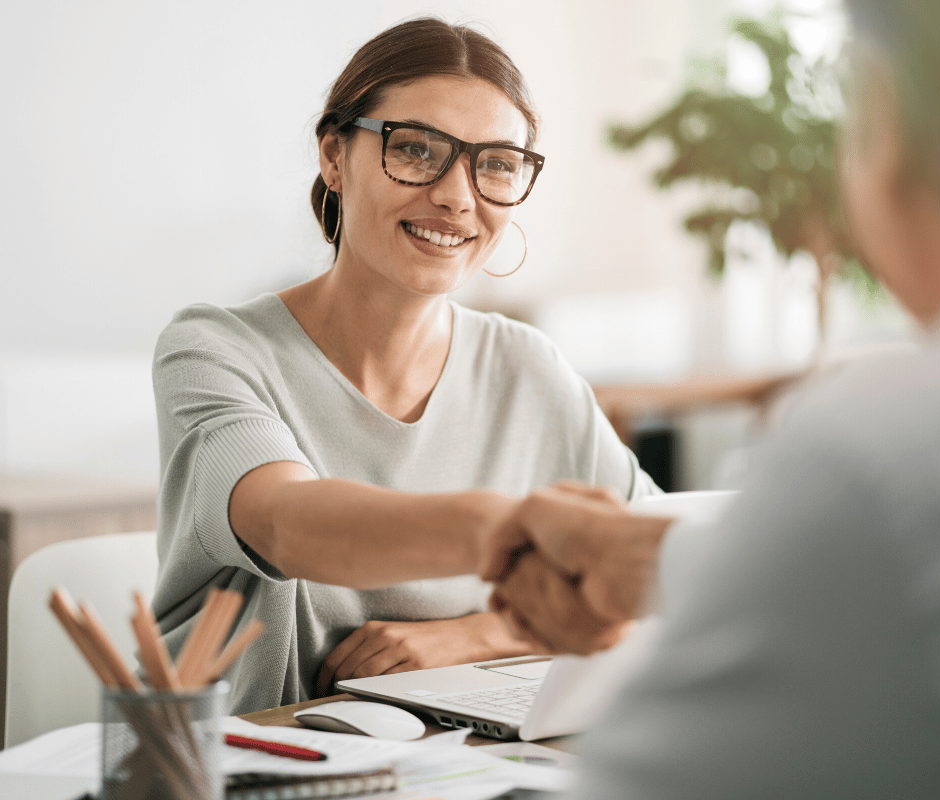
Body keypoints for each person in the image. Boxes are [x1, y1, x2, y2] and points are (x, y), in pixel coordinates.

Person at [482, 1, 940, 797]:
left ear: (882, 119)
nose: (457, 196)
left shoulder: (882, 456)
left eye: (495, 163)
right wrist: (656, 561)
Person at [151, 17, 658, 714]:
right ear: (334, 156)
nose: (457, 196)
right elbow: (286, 524)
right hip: (251, 762)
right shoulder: (216, 348)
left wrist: (482, 633)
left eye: (497, 164)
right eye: (417, 150)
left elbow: (647, 573)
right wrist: (508, 532)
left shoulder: (527, 366)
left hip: (458, 764)